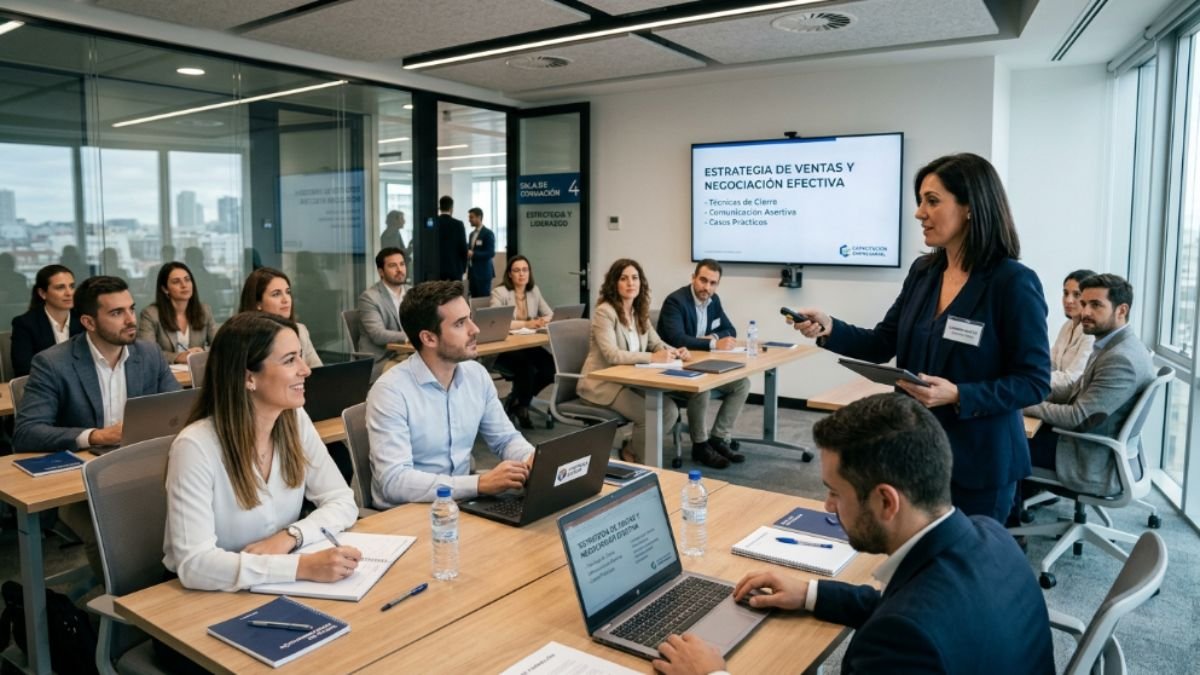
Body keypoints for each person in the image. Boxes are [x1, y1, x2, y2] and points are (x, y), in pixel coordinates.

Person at [651, 394, 1054, 675]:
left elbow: (909, 620)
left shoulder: (902, 641)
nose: (827, 507)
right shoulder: (989, 536)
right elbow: (906, 601)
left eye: (834, 492)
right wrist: (810, 593)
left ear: (885, 502)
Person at [789, 153, 1051, 522]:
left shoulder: (1013, 282)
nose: (919, 213)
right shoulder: (925, 271)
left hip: (979, 461)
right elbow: (884, 341)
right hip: (915, 454)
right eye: (920, 201)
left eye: (932, 201)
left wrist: (959, 394)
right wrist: (830, 326)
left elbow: (1034, 381)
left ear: (971, 207)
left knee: (964, 570)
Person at [163, 312, 359, 592]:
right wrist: (301, 567)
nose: (306, 369)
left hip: (274, 586)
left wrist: (292, 536)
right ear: (248, 378)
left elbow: (341, 500)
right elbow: (195, 564)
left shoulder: (294, 419)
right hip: (211, 597)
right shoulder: (195, 447)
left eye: (300, 356)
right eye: (290, 360)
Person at [13, 276, 180, 576]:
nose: (130, 320)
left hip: (144, 472)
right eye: (117, 313)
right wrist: (96, 436)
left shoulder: (148, 354)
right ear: (89, 322)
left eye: (131, 309)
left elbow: (178, 412)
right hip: (86, 483)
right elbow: (26, 432)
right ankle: (119, 611)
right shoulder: (53, 363)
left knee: (184, 521)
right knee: (116, 539)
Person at [366, 280, 534, 507]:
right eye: (460, 324)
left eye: (470, 319)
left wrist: (530, 459)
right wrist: (478, 484)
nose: (475, 329)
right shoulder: (390, 392)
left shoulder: (476, 375)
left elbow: (505, 439)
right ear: (429, 338)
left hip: (462, 505)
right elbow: (395, 481)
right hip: (409, 514)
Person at [1025, 274, 1156, 497]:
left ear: (1121, 310)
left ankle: (1004, 522)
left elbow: (1079, 418)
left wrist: (1023, 405)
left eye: (1096, 305)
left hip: (1090, 458)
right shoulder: (1111, 344)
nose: (1084, 312)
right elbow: (1073, 389)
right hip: (1088, 444)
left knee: (1000, 440)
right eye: (1084, 304)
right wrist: (1026, 393)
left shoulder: (1120, 359)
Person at [578, 259, 684, 464]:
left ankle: (631, 448)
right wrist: (653, 358)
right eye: (624, 278)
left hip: (629, 381)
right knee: (647, 417)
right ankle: (647, 469)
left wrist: (675, 352)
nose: (630, 283)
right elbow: (612, 355)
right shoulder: (605, 312)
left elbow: (656, 343)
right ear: (614, 284)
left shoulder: (638, 312)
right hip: (602, 384)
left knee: (670, 410)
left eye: (635, 278)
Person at [656, 259, 751, 467]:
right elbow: (677, 338)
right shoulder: (676, 301)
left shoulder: (713, 301)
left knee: (742, 384)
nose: (707, 287)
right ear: (693, 278)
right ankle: (700, 445)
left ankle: (718, 438)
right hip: (673, 369)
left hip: (700, 365)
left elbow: (730, 331)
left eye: (712, 283)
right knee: (703, 386)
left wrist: (713, 338)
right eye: (703, 280)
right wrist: (714, 344)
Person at [489, 255, 555, 429]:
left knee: (550, 367)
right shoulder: (500, 293)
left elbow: (549, 314)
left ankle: (518, 401)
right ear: (510, 274)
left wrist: (543, 320)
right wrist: (527, 323)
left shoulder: (534, 291)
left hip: (527, 344)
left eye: (525, 270)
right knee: (526, 369)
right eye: (516, 270)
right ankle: (521, 405)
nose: (521, 274)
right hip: (505, 348)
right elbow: (498, 321)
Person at [239, 267, 322, 368]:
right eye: (276, 294)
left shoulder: (300, 331)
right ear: (258, 303)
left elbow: (319, 373)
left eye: (288, 292)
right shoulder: (243, 338)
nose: (286, 299)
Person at [137, 261, 217, 365]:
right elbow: (147, 353)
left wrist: (202, 354)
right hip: (165, 375)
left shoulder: (204, 311)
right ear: (165, 289)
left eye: (187, 280)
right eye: (176, 282)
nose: (184, 285)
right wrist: (178, 357)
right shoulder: (151, 314)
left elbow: (219, 346)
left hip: (196, 374)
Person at [10, 264, 83, 377]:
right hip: (45, 388)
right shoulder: (25, 324)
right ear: (42, 293)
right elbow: (24, 370)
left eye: (72, 286)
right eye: (60, 287)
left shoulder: (84, 319)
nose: (69, 293)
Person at [356, 246, 409, 380]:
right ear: (381, 272)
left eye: (402, 264)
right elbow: (377, 334)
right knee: (414, 373)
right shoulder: (369, 297)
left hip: (408, 354)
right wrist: (410, 336)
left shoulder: (412, 293)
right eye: (393, 266)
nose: (399, 270)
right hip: (383, 360)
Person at [1050, 268, 1097, 391]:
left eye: (1077, 295)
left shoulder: (1091, 334)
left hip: (1070, 397)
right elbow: (1051, 362)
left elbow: (1073, 378)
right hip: (1055, 390)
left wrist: (1035, 378)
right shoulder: (1067, 325)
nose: (1068, 300)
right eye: (1066, 293)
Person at [434, 195, 468, 282]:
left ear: (439, 207)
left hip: (437, 269)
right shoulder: (458, 224)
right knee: (455, 294)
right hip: (455, 269)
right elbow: (463, 248)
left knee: (438, 294)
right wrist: (463, 268)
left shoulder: (434, 223)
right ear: (451, 208)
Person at [466, 207, 495, 298]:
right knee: (474, 299)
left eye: (471, 217)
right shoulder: (471, 234)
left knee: (483, 300)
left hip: (483, 274)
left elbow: (491, 253)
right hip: (473, 274)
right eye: (469, 217)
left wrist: (473, 254)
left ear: (479, 217)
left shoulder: (488, 233)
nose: (469, 220)